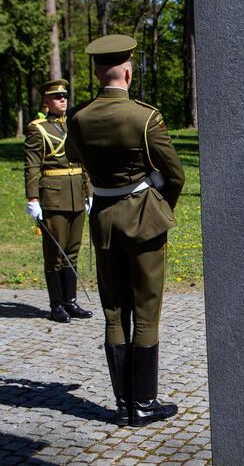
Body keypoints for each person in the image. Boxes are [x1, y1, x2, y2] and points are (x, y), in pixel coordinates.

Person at [66, 34, 185, 427]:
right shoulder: (145, 117)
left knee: (114, 313)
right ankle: (144, 405)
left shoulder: (79, 117)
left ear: (99, 72)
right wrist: (160, 207)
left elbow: (73, 158)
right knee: (146, 313)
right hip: (143, 222)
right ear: (129, 73)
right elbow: (175, 175)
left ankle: (122, 405)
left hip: (103, 221)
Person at [24, 79, 93, 323]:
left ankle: (70, 301)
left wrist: (89, 192)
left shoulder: (72, 126)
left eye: (65, 95)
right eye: (57, 97)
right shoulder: (38, 129)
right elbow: (32, 166)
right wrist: (33, 198)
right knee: (55, 252)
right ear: (46, 102)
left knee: (72, 252)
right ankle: (56, 305)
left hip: (76, 195)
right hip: (53, 197)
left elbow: (82, 161)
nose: (63, 99)